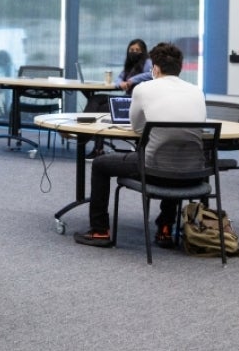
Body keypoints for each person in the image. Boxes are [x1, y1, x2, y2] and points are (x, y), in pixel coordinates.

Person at [74, 42, 205, 249]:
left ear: (155, 68)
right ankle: (165, 228)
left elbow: (136, 127)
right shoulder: (197, 91)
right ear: (179, 67)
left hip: (152, 170)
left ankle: (99, 230)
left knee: (100, 164)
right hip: (194, 172)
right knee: (174, 154)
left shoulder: (144, 88)